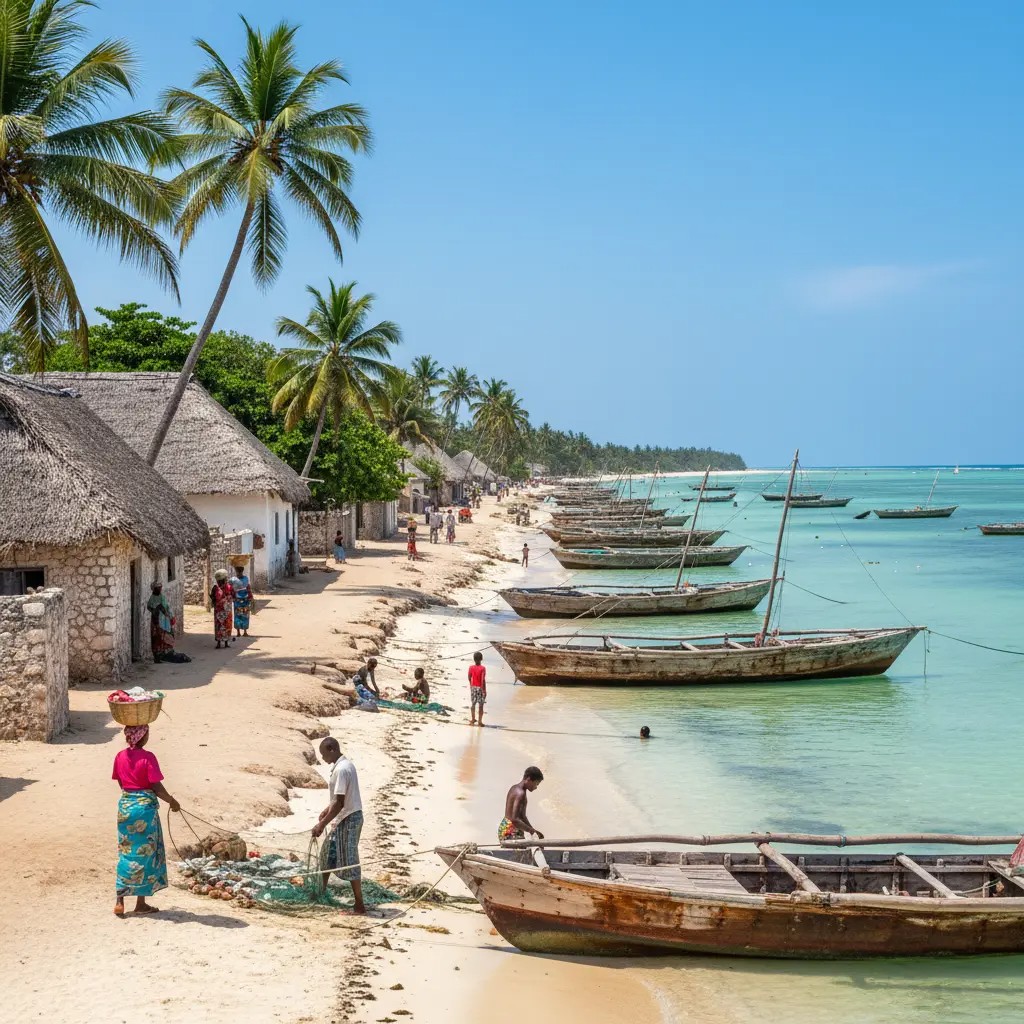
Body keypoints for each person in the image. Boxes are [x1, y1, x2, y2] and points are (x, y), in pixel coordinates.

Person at [112, 724, 179, 916]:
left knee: (127, 852)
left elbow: (121, 782)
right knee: (145, 854)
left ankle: (120, 901)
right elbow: (156, 787)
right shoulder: (148, 757)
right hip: (144, 812)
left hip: (125, 808)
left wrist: (131, 796)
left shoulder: (120, 756)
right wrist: (172, 801)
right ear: (142, 736)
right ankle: (140, 903)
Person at [312, 737, 366, 914]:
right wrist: (326, 810)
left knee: (350, 860)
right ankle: (321, 893)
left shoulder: (342, 769)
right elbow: (338, 799)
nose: (323, 758)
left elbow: (340, 803)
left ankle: (359, 904)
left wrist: (321, 824)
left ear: (332, 749)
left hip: (349, 819)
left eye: (324, 754)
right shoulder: (344, 766)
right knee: (327, 854)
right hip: (344, 817)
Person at [499, 767, 544, 842]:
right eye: (536, 784)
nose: (536, 787)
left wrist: (533, 831)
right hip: (511, 830)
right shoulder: (520, 793)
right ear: (528, 779)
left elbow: (522, 817)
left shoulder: (515, 788)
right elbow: (514, 819)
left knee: (525, 847)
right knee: (524, 849)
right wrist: (531, 831)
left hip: (505, 826)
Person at [147, 582, 176, 663]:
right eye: (158, 588)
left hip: (163, 621)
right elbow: (149, 607)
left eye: (160, 587)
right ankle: (157, 656)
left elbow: (167, 607)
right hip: (156, 621)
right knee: (156, 638)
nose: (160, 589)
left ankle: (163, 655)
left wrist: (171, 616)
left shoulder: (161, 597)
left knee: (163, 636)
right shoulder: (152, 598)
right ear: (155, 589)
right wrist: (156, 611)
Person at [210, 569, 234, 649]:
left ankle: (219, 643)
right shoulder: (229, 587)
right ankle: (226, 643)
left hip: (218, 611)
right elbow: (233, 596)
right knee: (227, 625)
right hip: (227, 611)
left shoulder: (215, 588)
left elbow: (213, 598)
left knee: (219, 626)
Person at [229, 561, 254, 638]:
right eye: (237, 572)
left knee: (243, 615)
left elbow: (248, 588)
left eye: (239, 572)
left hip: (243, 600)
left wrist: (251, 598)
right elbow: (230, 589)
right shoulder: (234, 579)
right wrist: (232, 597)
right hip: (239, 600)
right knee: (239, 615)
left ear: (241, 571)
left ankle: (243, 632)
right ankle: (239, 632)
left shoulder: (242, 579)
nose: (238, 573)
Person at [468, 650, 486, 726]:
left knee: (473, 704)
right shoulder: (483, 668)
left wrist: (471, 685)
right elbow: (483, 680)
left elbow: (469, 677)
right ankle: (480, 721)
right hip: (480, 688)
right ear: (481, 659)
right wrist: (484, 690)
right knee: (481, 705)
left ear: (474, 659)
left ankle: (473, 720)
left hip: (473, 687)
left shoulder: (471, 667)